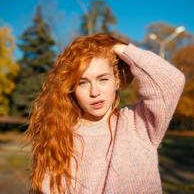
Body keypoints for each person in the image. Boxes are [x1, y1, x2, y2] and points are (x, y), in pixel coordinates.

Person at [26, 33, 185, 194]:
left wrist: (113, 46)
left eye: (103, 79)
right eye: (82, 83)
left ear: (117, 80)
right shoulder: (60, 138)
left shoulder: (139, 124)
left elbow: (170, 82)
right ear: (72, 89)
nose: (94, 92)